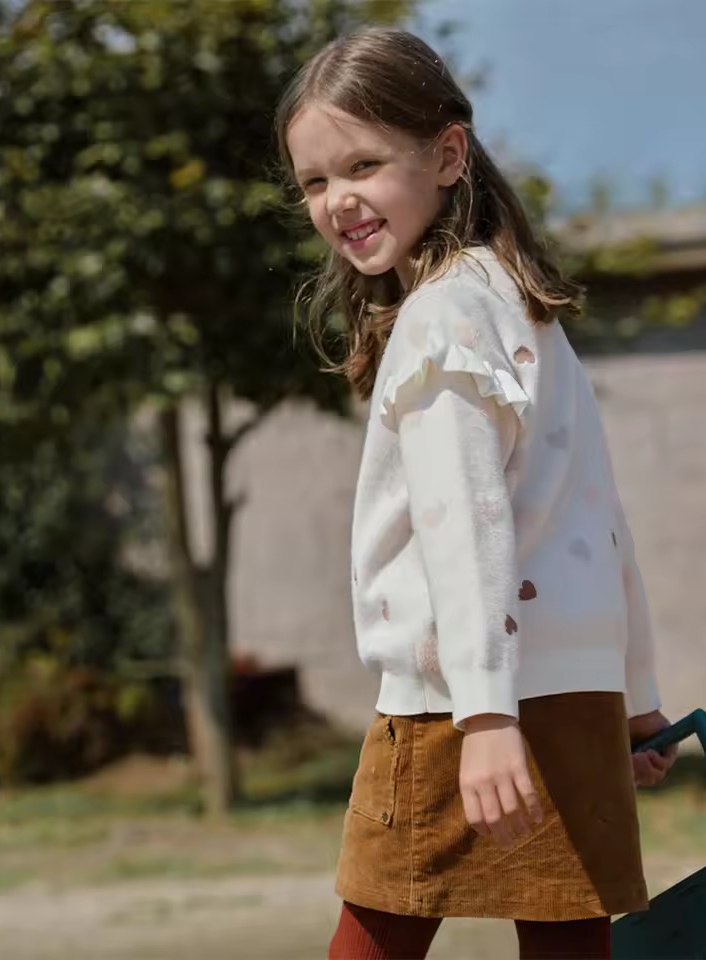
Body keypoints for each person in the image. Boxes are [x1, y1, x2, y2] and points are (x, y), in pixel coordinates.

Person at [275, 27, 678, 960]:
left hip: (452, 700)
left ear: (448, 155)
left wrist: (488, 717)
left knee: (378, 932)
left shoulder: (442, 318)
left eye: (364, 165)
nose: (338, 201)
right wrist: (634, 692)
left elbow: (464, 525)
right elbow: (596, 522)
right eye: (314, 181)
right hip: (570, 687)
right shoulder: (522, 305)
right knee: (568, 938)